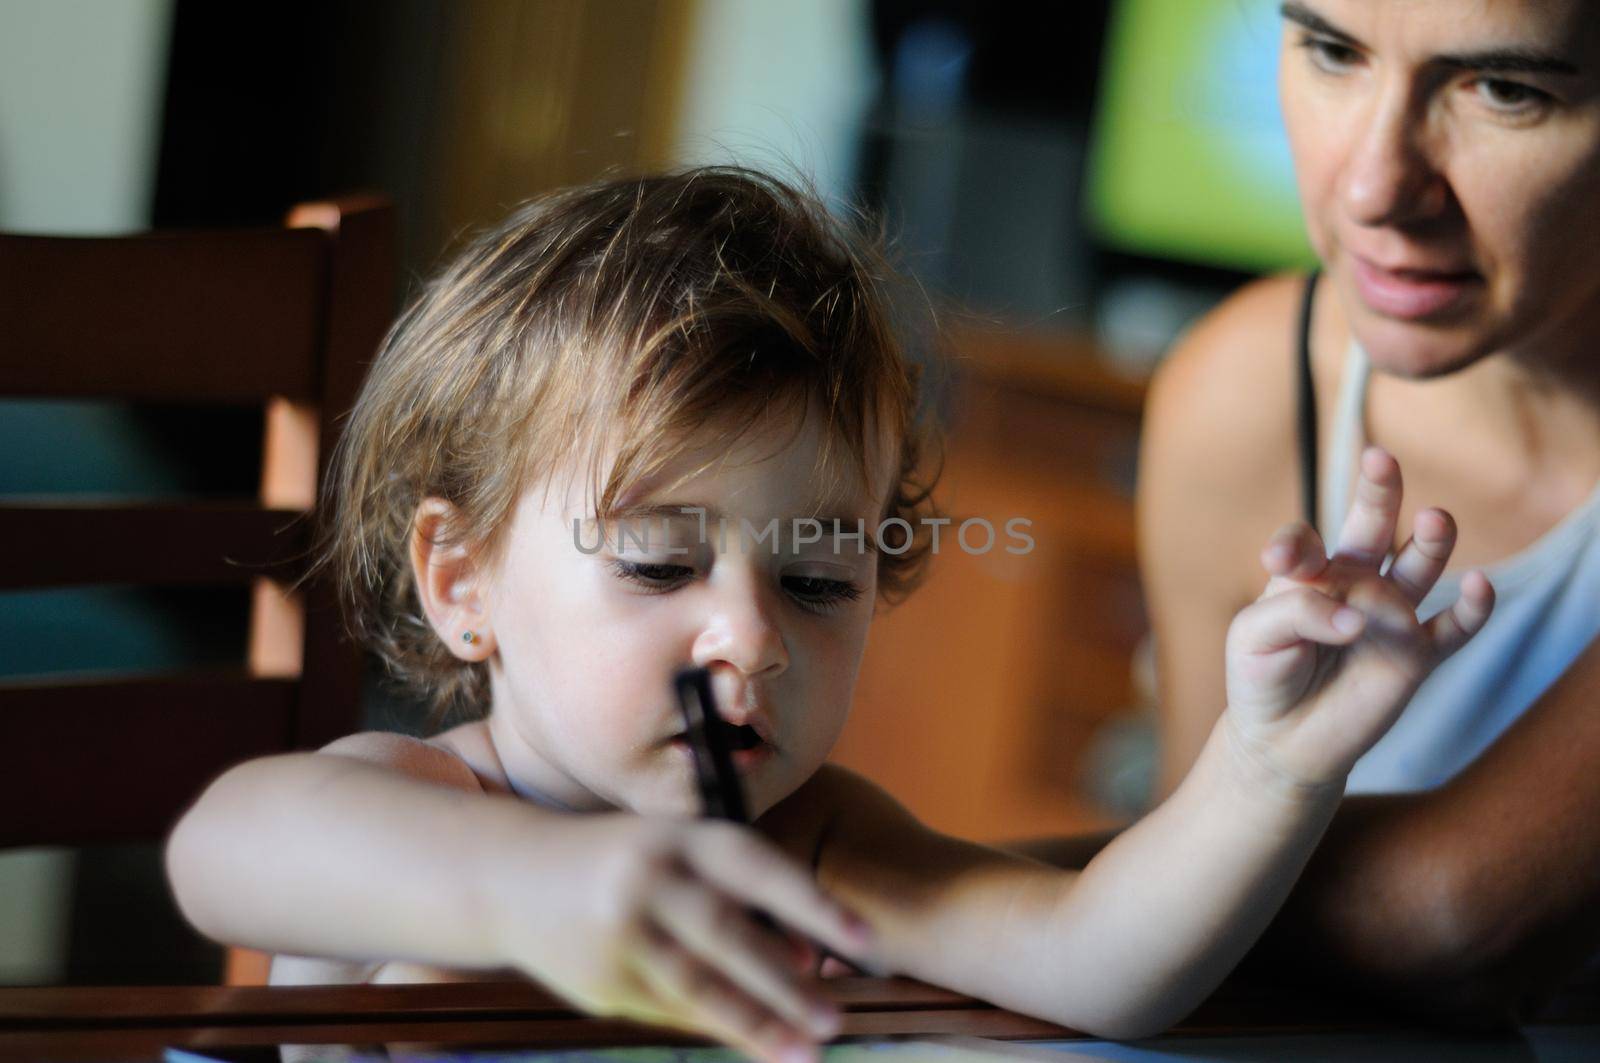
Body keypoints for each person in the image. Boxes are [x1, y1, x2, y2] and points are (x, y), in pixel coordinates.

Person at [165, 167, 1490, 1063]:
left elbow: (1102, 963)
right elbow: (220, 849)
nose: (752, 637)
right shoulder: (410, 803)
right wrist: (542, 887)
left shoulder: (814, 841)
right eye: (658, 563)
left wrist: (1275, 762)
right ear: (462, 583)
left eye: (815, 576)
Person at [1132, 0, 1600, 1024]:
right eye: (1333, 51)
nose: (1373, 186)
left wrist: (870, 878)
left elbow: (1456, 916)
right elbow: (1191, 938)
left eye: (1505, 89)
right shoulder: (1243, 392)